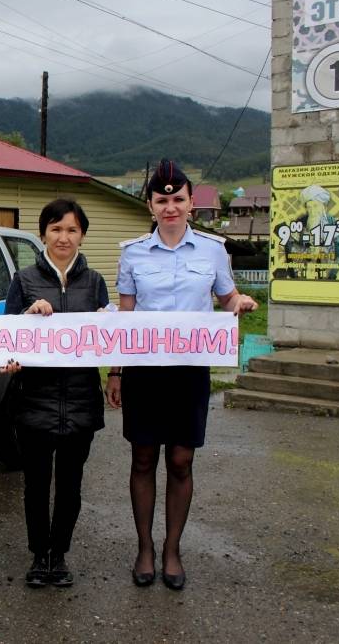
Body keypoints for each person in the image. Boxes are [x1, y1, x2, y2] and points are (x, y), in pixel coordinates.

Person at [104, 159, 257, 591]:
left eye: (178, 199)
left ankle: (172, 548)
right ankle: (144, 549)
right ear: (149, 205)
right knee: (144, 457)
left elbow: (226, 296)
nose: (170, 207)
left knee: (181, 460)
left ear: (191, 203)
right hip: (144, 372)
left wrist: (239, 304)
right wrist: (115, 370)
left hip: (190, 371)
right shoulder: (133, 252)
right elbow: (127, 314)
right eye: (161, 200)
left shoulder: (212, 250)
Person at [0, 198, 109, 589]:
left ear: (82, 234)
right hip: (34, 402)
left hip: (80, 401)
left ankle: (59, 554)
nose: (64, 237)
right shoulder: (24, 280)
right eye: (56, 229)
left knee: (71, 485)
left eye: (72, 230)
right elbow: (6, 341)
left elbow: (108, 340)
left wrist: (104, 326)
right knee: (35, 484)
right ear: (43, 232)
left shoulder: (95, 282)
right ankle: (37, 555)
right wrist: (27, 319)